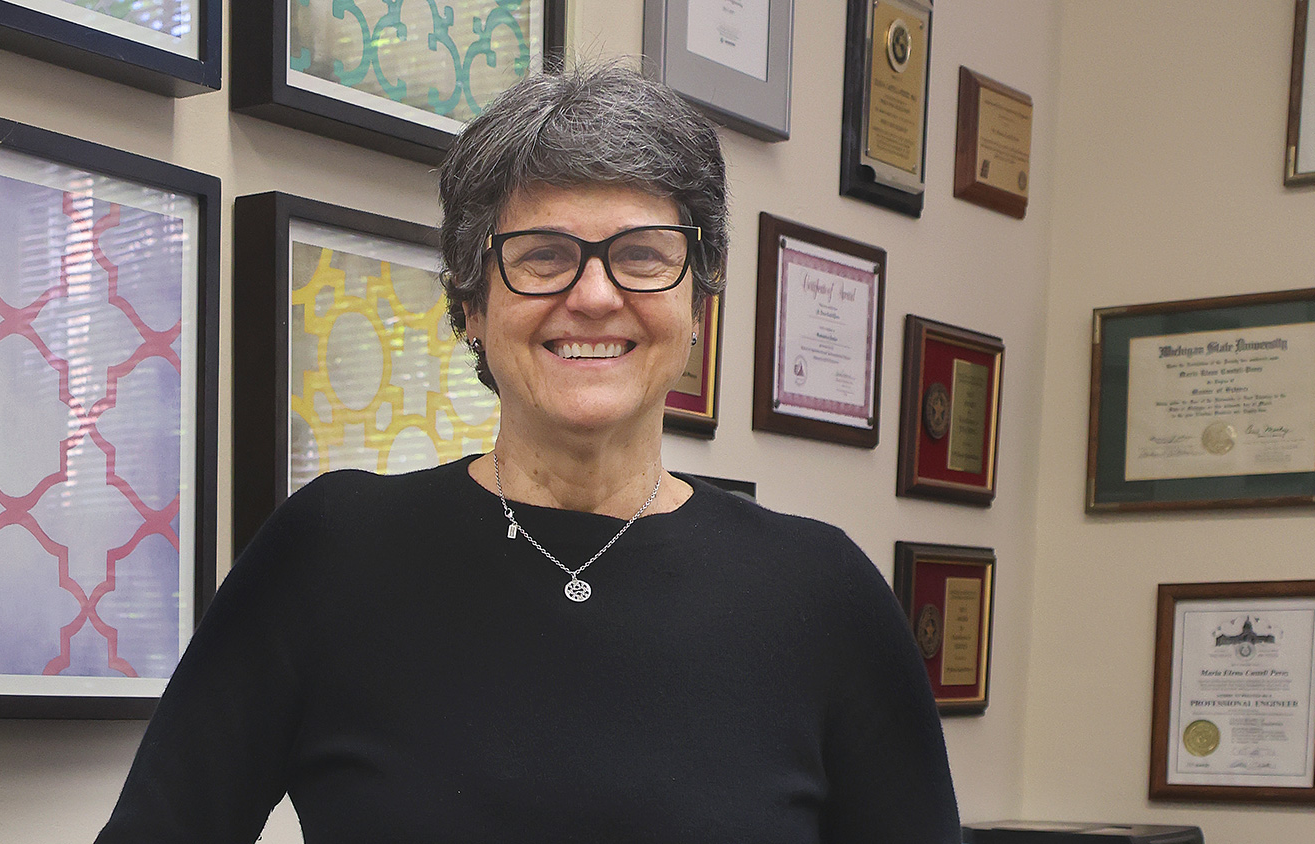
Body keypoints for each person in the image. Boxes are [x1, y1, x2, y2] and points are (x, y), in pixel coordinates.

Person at [95, 63, 960, 843]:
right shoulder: (334, 553)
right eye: (542, 256)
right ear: (470, 304)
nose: (593, 295)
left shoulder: (823, 595)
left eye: (642, 257)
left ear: (699, 304)